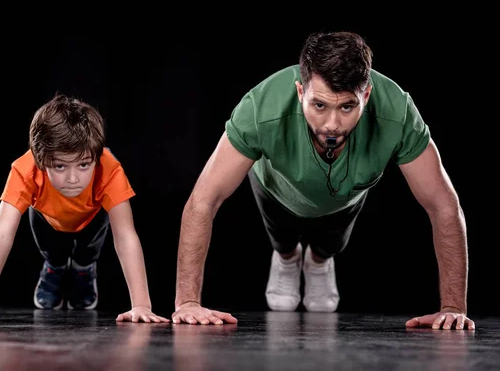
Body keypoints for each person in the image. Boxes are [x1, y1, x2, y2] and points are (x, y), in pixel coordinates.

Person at [171, 31, 475, 330]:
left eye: (347, 107)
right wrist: (187, 303)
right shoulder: (260, 108)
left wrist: (453, 308)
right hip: (277, 187)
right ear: (301, 92)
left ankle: (318, 261)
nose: (332, 124)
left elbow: (444, 207)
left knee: (330, 242)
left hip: (346, 195)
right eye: (319, 105)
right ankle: (288, 258)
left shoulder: (398, 113)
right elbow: (203, 200)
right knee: (283, 238)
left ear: (366, 95)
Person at [0, 94, 170, 323]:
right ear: (41, 161)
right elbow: (1, 232)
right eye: (60, 166)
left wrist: (141, 305)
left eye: (83, 165)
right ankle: (54, 267)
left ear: (96, 158)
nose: (73, 178)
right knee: (54, 252)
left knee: (87, 249)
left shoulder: (109, 169)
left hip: (92, 218)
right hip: (47, 218)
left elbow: (125, 235)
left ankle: (83, 267)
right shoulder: (25, 169)